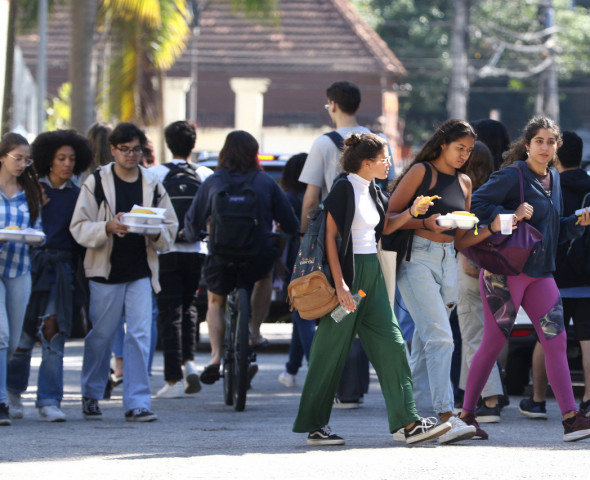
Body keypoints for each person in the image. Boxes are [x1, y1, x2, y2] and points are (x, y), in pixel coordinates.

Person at [293, 132, 451, 446]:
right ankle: (314, 426)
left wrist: (414, 213)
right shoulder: (343, 188)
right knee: (328, 351)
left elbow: (386, 227)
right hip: (348, 277)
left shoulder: (373, 189)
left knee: (393, 345)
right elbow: (330, 238)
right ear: (367, 162)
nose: (389, 163)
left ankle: (408, 423)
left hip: (373, 277)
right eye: (384, 159)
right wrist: (340, 287)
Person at [459, 116, 590, 442]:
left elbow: (555, 231)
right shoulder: (513, 175)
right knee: (493, 342)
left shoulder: (554, 180)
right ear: (528, 144)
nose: (545, 147)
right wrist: (511, 216)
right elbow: (475, 204)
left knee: (556, 342)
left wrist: (578, 223)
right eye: (539, 141)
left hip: (540, 274)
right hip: (505, 273)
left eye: (551, 142)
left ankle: (571, 419)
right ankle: (466, 416)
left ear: (557, 147)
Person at [387, 119, 500, 443]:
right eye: (459, 148)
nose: (464, 155)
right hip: (417, 259)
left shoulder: (464, 182)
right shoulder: (422, 172)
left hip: (448, 259)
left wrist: (492, 228)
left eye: (468, 150)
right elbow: (388, 220)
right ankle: (448, 417)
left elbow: (462, 239)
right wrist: (424, 219)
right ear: (442, 145)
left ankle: (406, 419)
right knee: (441, 339)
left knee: (425, 345)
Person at [70, 122, 177, 422]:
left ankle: (137, 402)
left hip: (141, 271)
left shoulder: (152, 183)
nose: (131, 156)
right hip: (105, 271)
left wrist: (154, 233)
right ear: (113, 150)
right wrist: (107, 226)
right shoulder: (97, 182)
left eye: (137, 150)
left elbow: (170, 226)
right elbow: (78, 226)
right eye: (125, 150)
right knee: (101, 335)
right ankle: (91, 393)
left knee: (140, 335)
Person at [299, 80, 391, 408]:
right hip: (369, 248)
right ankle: (354, 388)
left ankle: (343, 390)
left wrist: (304, 239)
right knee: (355, 315)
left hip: (337, 247)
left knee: (338, 316)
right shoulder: (379, 142)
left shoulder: (323, 144)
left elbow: (312, 199)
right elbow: (386, 191)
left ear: (333, 106)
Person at [183, 130, 298, 385]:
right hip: (257, 254)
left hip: (221, 254)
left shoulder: (213, 181)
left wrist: (190, 233)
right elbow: (290, 223)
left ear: (224, 153)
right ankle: (254, 333)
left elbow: (192, 223)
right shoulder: (265, 182)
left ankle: (214, 358)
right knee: (265, 275)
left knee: (215, 302)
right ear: (254, 154)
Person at [6, 130, 91, 423]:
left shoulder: (79, 196)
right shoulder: (31, 191)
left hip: (62, 270)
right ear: (48, 160)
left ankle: (49, 400)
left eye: (72, 159)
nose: (67, 164)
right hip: (31, 266)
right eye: (60, 158)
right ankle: (13, 392)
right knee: (23, 336)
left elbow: (81, 237)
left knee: (55, 334)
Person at [518, 131, 590, 419]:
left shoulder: (547, 185)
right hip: (587, 277)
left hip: (551, 275)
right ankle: (588, 400)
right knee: (588, 339)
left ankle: (537, 400)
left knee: (545, 338)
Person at [149, 120, 213, 398]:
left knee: (168, 311)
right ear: (193, 144)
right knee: (189, 308)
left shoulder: (154, 173)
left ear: (167, 143)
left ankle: (172, 379)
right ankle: (189, 364)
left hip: (165, 249)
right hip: (197, 249)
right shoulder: (205, 173)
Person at [455, 140, 504, 423]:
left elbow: (464, 235)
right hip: (498, 272)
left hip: (470, 269)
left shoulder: (466, 193)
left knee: (473, 336)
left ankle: (491, 400)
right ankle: (469, 396)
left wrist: (467, 260)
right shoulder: (498, 194)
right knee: (485, 335)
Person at [0, 133, 43, 426]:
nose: (22, 164)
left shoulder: (29, 190)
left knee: (15, 341)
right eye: (17, 158)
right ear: (2, 156)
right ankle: (2, 400)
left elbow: (37, 229)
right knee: (1, 336)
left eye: (26, 160)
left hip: (19, 267)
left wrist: (34, 238)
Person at [276, 153, 316, 388]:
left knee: (302, 314)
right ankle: (291, 370)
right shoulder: (320, 195)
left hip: (296, 260)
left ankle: (315, 366)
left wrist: (277, 262)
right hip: (323, 259)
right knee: (299, 314)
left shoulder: (288, 198)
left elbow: (282, 233)